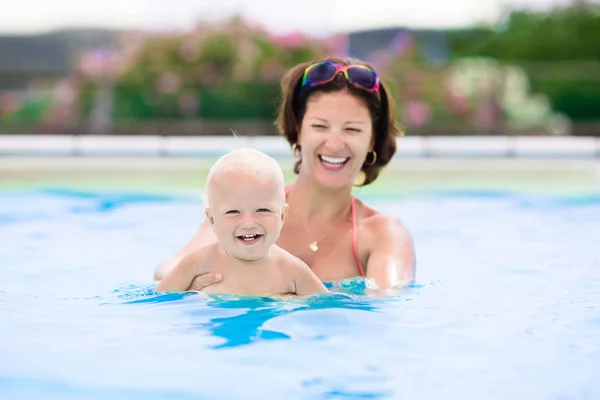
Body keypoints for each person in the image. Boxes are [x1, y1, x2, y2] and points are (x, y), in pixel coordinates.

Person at [154, 56, 416, 293]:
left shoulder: (382, 234)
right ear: (298, 131)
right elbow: (167, 271)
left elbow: (385, 301)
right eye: (320, 126)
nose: (335, 143)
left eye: (352, 129)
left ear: (372, 141)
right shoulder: (246, 204)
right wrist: (192, 283)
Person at [155, 148, 327, 296]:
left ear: (283, 215)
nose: (249, 222)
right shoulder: (198, 263)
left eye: (263, 210)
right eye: (233, 212)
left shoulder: (293, 270)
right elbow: (158, 301)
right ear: (212, 220)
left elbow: (327, 309)